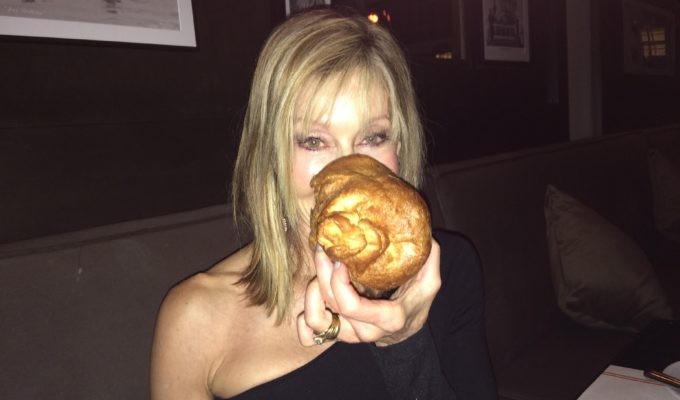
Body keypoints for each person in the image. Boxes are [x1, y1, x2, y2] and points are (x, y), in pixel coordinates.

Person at [150, 7, 497, 400]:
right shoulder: (194, 319)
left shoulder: (448, 271)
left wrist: (404, 343)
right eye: (314, 141)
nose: (350, 174)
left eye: (373, 137)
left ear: (399, 147)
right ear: (271, 156)